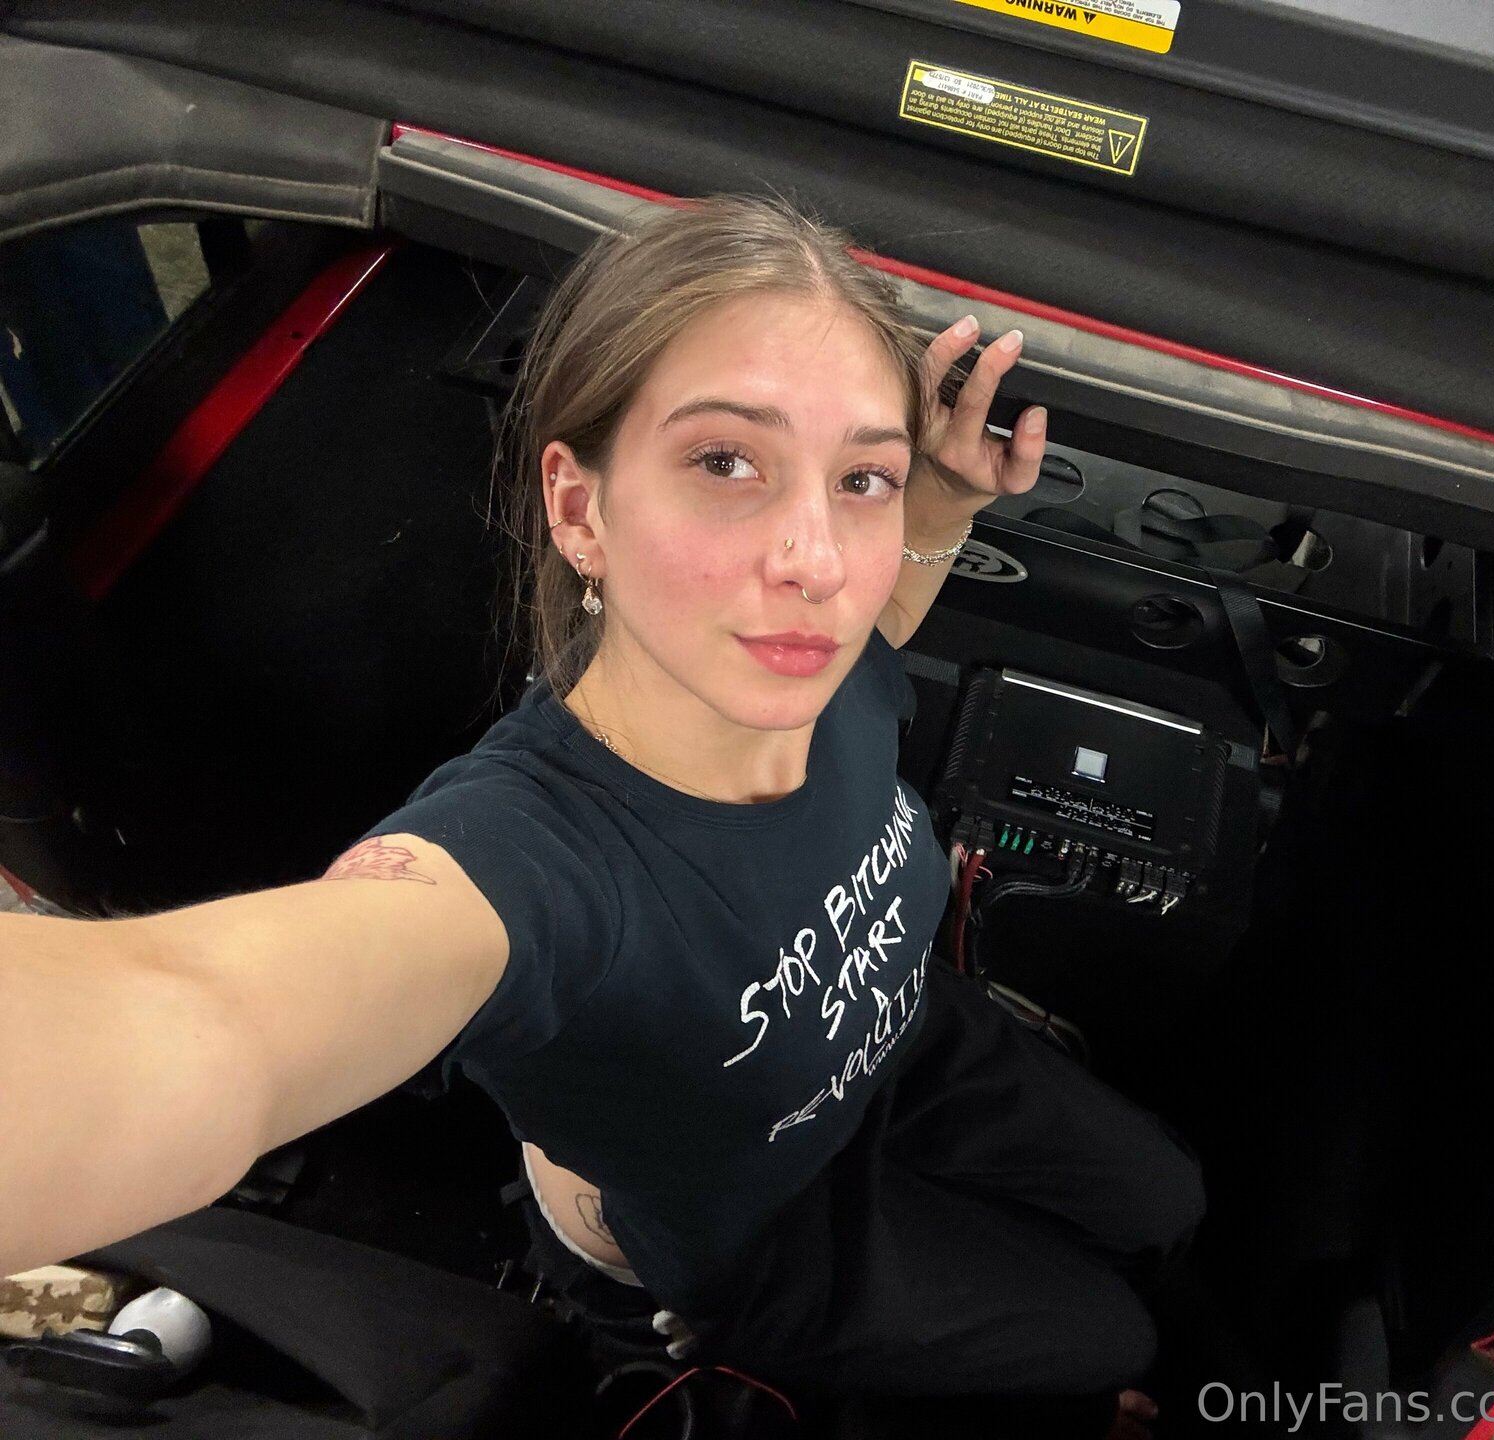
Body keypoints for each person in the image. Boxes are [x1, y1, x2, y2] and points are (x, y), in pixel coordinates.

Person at [0, 195, 1202, 1438]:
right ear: (581, 512)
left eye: (861, 478)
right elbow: (209, 1017)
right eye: (727, 462)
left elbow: (880, 622)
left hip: (903, 1037)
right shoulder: (530, 865)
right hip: (768, 1233)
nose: (819, 562)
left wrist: (938, 504)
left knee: (1170, 1203)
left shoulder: (811, 654)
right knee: (1118, 1338)